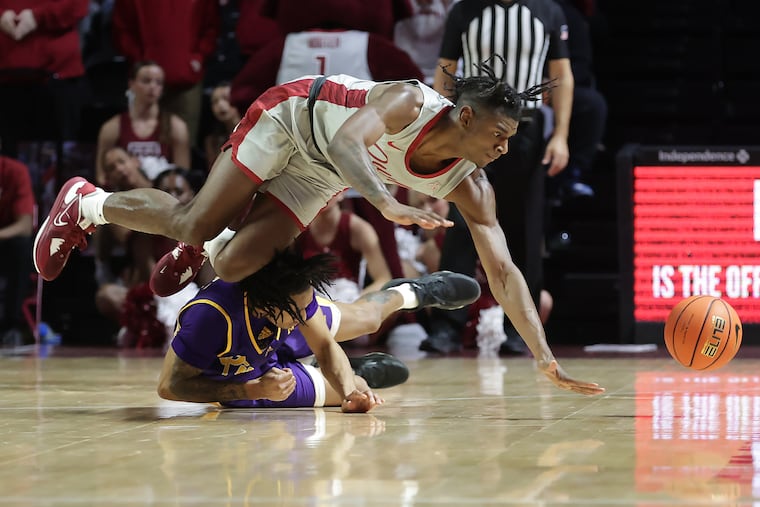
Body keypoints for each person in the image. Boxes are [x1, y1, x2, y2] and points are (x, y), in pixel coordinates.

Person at [33, 64, 604, 396]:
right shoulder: (409, 102)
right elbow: (345, 141)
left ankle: (206, 244)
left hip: (325, 174)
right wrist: (384, 201)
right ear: (467, 117)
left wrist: (543, 354)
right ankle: (90, 204)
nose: (505, 148)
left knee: (233, 265)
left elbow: (502, 271)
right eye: (499, 134)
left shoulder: (471, 185)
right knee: (196, 216)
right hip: (293, 121)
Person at [423, 0, 574, 356]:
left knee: (525, 228)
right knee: (461, 226)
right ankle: (446, 326)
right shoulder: (465, 10)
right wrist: (442, 128)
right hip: (471, 128)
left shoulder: (547, 11)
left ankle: (519, 332)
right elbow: (445, 71)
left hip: (527, 128)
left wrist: (561, 134)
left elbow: (562, 75)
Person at [156, 248, 482, 408]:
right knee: (355, 382)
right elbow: (169, 387)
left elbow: (325, 345)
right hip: (247, 379)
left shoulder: (292, 294)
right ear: (268, 307)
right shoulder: (210, 318)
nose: (305, 314)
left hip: (269, 348)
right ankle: (356, 369)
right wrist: (250, 390)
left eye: (305, 307)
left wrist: (350, 394)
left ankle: (412, 292)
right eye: (299, 312)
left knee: (365, 321)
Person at [95, 61, 191, 186]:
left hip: (162, 197)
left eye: (158, 82)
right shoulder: (111, 128)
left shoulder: (177, 127)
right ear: (131, 84)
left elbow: (182, 177)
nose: (152, 86)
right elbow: (101, 176)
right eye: (146, 81)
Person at [296, 191, 392, 301]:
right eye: (316, 189)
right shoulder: (297, 229)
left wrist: (356, 304)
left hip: (348, 300)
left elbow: (383, 279)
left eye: (327, 188)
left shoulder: (359, 228)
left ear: (342, 192)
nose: (322, 194)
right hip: (311, 303)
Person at [0, 154, 35, 345]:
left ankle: (11, 327)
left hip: (5, 242)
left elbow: (25, 226)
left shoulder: (15, 171)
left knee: (22, 247)